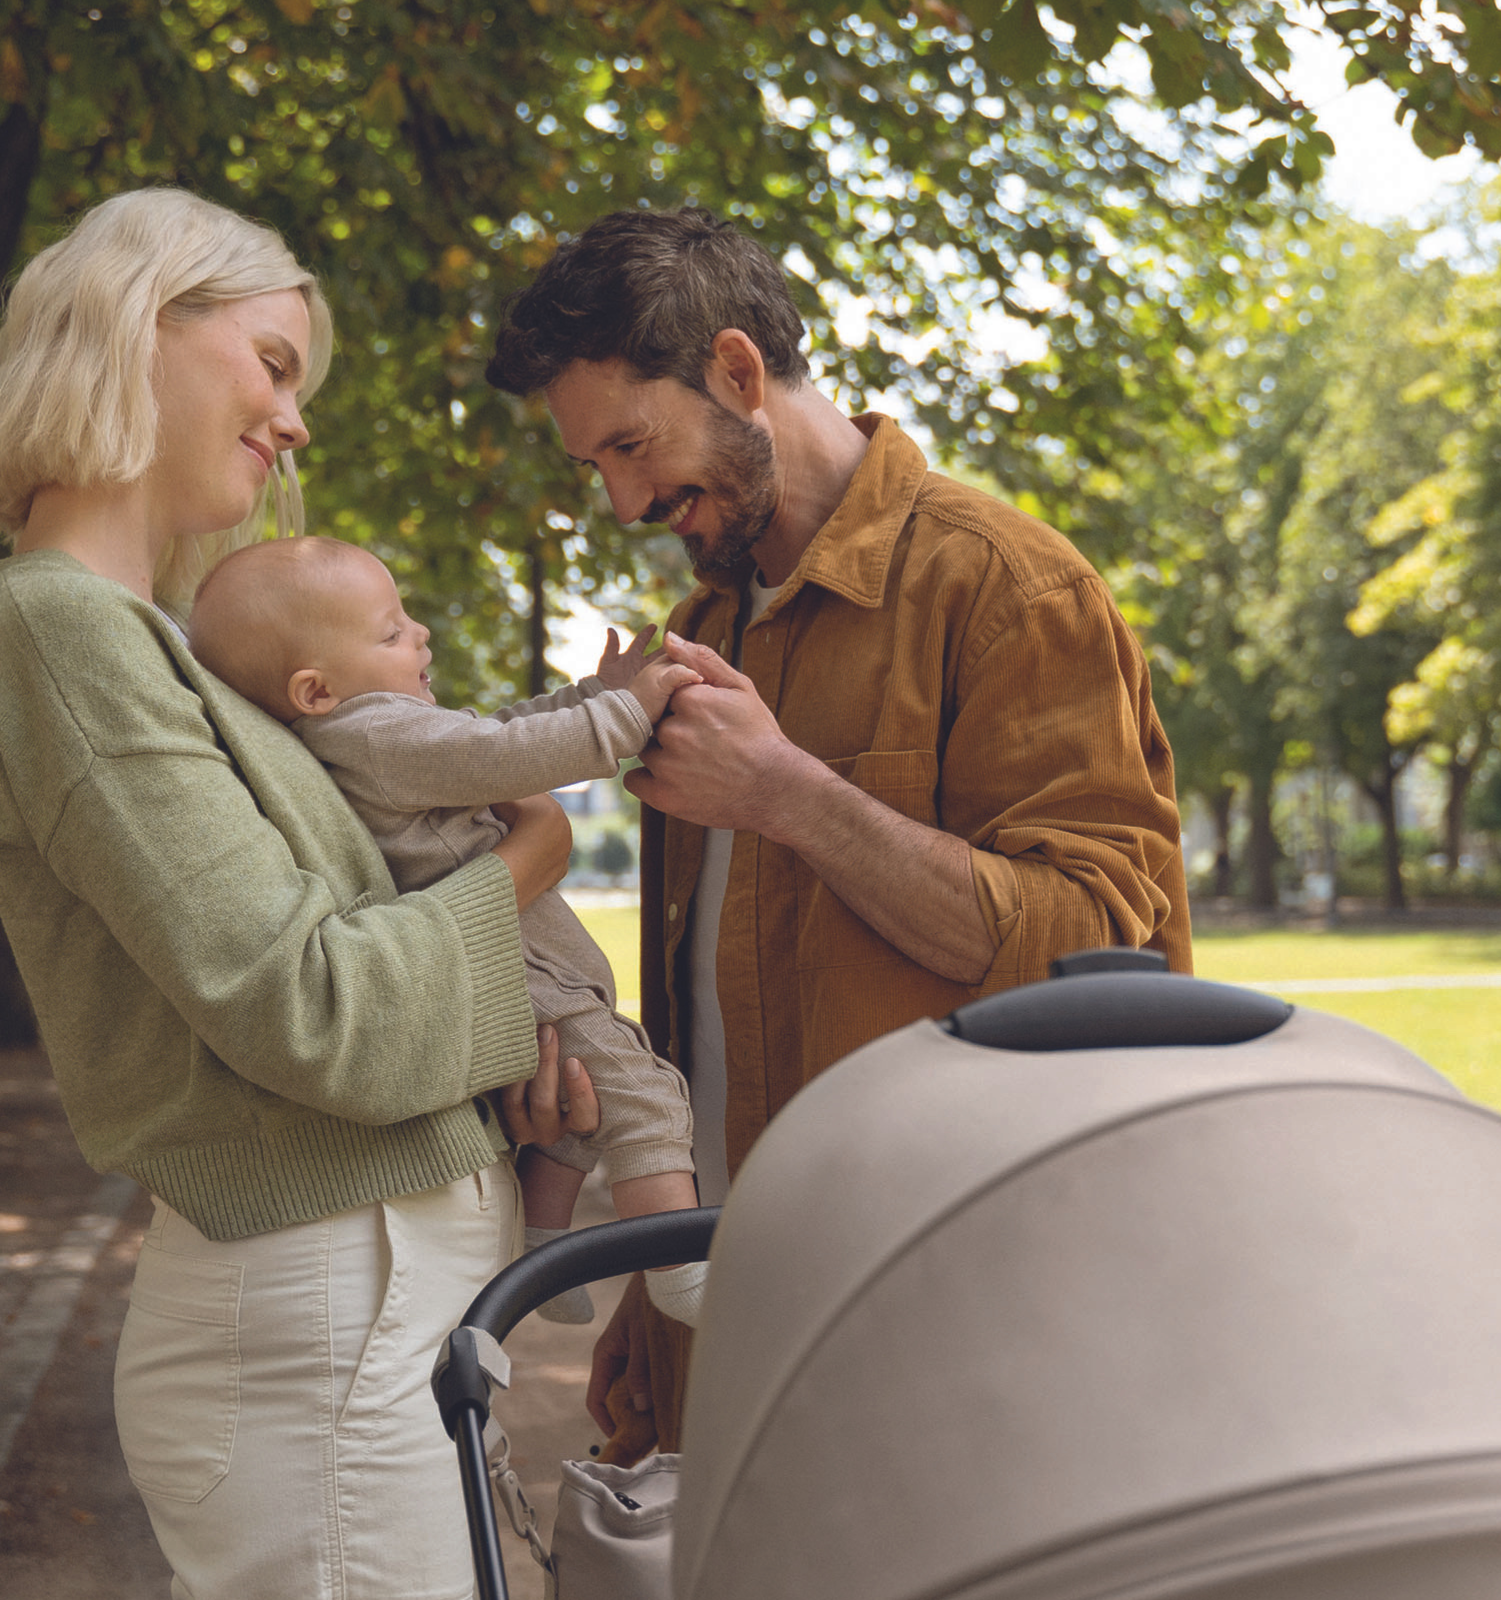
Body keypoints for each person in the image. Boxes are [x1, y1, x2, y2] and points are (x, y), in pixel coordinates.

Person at [0, 187, 593, 1600]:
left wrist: (505, 1053)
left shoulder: (151, 646)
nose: (295, 421)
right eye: (274, 364)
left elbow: (341, 948)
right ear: (138, 326)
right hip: (322, 1337)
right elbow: (312, 1011)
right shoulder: (60, 637)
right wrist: (523, 865)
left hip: (364, 1326)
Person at [484, 207, 1196, 1462]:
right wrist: (655, 1308)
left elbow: (1093, 953)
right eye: (594, 465)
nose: (624, 498)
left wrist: (787, 793)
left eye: (631, 446)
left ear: (737, 372)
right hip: (727, 1310)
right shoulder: (704, 621)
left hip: (949, 1327)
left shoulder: (1006, 589)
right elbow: (713, 1020)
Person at [186, 535, 709, 1324]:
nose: (420, 635)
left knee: (577, 1110)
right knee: (648, 1103)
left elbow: (491, 737)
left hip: (510, 971)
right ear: (317, 690)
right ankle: (686, 1283)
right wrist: (630, 714)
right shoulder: (377, 736)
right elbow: (502, 752)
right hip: (523, 968)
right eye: (391, 632)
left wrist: (588, 695)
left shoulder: (366, 743)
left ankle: (545, 1256)